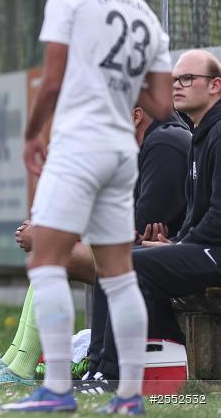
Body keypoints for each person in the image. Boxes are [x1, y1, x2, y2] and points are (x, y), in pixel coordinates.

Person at [0, 0, 173, 414]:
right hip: (122, 151)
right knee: (119, 275)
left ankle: (56, 389)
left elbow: (51, 81)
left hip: (78, 144)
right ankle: (128, 398)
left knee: (46, 260)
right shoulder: (146, 15)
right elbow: (162, 106)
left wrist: (32, 133)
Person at [0, 106, 190, 385]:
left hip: (148, 256)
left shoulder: (164, 143)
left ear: (135, 115)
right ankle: (13, 358)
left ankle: (22, 366)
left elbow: (140, 225)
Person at [82, 50, 221, 394]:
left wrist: (183, 246)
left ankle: (113, 377)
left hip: (215, 251)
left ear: (216, 86)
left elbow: (218, 216)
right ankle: (98, 368)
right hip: (204, 247)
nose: (177, 86)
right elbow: (195, 213)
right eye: (174, 79)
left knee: (124, 262)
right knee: (119, 258)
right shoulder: (200, 135)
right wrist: (175, 244)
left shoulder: (215, 135)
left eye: (188, 79)